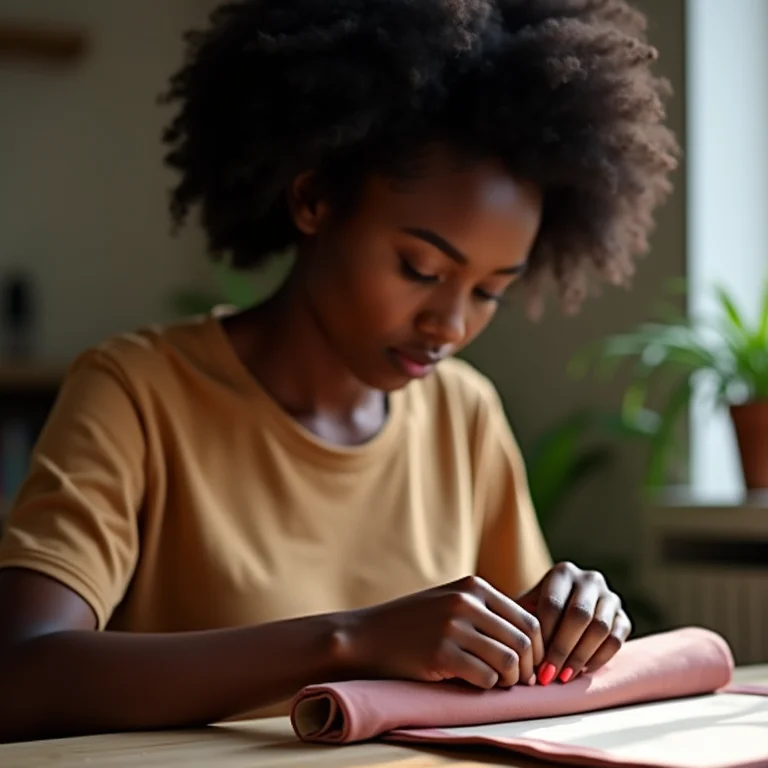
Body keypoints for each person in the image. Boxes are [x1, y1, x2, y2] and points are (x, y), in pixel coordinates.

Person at [0, 0, 677, 744]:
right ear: (314, 199)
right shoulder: (136, 392)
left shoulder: (464, 414)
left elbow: (526, 682)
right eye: (420, 269)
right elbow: (20, 674)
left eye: (490, 291)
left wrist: (569, 621)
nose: (451, 326)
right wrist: (352, 640)